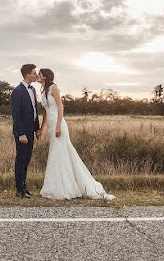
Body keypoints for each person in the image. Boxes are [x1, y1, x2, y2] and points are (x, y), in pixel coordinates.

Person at [36, 68, 116, 201]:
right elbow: (46, 111)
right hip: (50, 126)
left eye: (39, 74)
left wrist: (58, 125)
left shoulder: (54, 88)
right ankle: (56, 185)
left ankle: (65, 187)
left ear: (45, 77)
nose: (37, 76)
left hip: (58, 125)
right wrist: (42, 128)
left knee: (60, 154)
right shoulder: (44, 90)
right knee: (56, 154)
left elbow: (60, 107)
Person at [10, 63, 43, 198]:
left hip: (31, 130)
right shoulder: (17, 91)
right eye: (34, 73)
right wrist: (21, 133)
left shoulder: (33, 90)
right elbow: (16, 115)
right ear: (28, 75)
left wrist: (37, 129)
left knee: (27, 159)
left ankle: (24, 187)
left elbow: (34, 111)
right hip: (22, 132)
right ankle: (19, 190)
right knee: (21, 160)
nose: (36, 75)